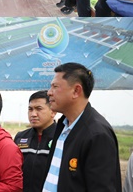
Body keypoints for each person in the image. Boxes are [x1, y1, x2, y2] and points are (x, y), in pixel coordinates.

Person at [42, 63, 121, 191]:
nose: (49, 92)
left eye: (55, 86)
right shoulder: (62, 125)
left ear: (76, 91)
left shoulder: (97, 134)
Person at [14, 91, 56, 192]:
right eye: (30, 109)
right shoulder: (20, 137)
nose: (33, 114)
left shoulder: (62, 137)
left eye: (39, 109)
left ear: (53, 112)